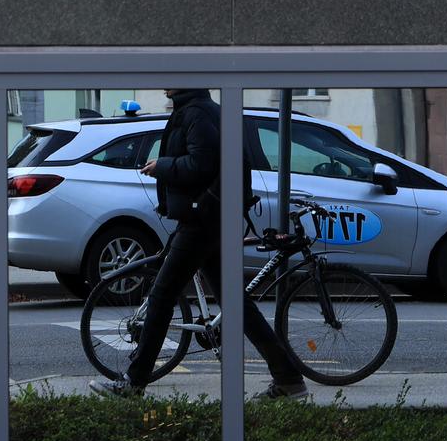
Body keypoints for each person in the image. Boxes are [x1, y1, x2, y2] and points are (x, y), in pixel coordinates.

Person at [89, 89, 308, 401]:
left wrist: (162, 165)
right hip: (211, 217)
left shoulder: (197, 113)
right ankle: (289, 380)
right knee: (235, 303)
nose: (164, 82)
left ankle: (134, 382)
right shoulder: (201, 110)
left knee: (163, 294)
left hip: (202, 220)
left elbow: (200, 165)